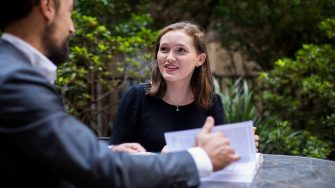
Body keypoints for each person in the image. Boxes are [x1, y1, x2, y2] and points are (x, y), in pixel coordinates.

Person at [0, 0, 240, 187]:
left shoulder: (11, 72)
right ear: (47, 6)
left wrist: (111, 151)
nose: (72, 28)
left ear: (200, 59)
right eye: (70, 11)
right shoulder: (15, 81)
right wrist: (199, 159)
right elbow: (101, 170)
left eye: (181, 51)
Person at [110, 22, 259, 152]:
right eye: (164, 49)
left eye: (181, 50)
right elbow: (115, 157)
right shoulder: (136, 97)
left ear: (200, 59)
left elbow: (216, 158)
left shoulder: (212, 102)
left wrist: (242, 146)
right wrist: (164, 160)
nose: (169, 58)